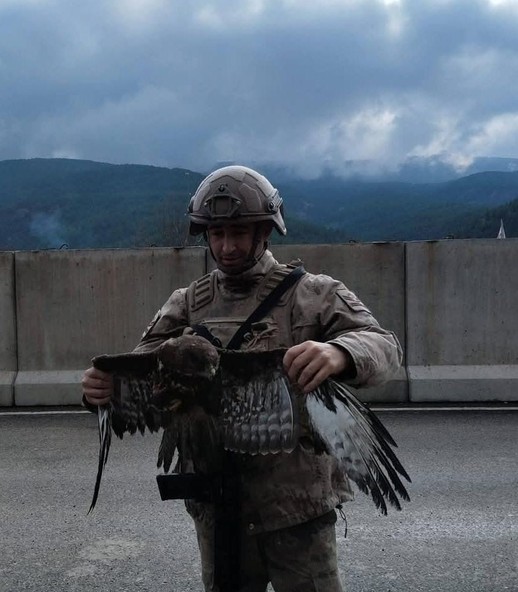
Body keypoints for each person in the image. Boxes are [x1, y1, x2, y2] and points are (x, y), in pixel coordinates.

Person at [82, 165, 403, 592]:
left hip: (297, 507)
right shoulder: (188, 303)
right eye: (216, 234)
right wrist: (103, 390)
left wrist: (340, 352)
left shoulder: (313, 294)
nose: (227, 246)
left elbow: (384, 346)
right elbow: (141, 368)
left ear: (265, 232)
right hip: (218, 505)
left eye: (238, 232)